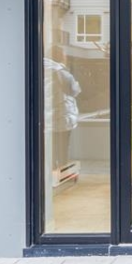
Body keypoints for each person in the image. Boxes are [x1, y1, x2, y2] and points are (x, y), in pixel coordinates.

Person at [44, 53, 81, 185]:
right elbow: (74, 90)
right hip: (61, 118)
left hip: (45, 119)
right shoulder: (60, 72)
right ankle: (62, 176)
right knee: (62, 149)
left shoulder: (36, 66)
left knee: (49, 151)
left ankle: (50, 177)